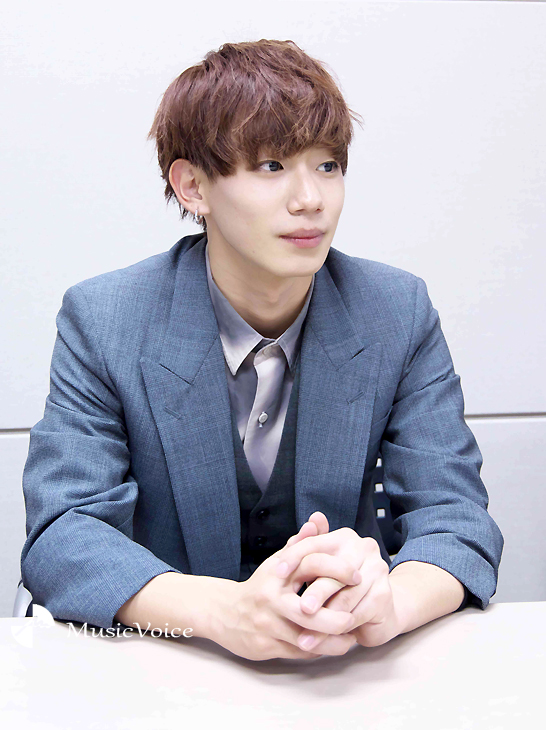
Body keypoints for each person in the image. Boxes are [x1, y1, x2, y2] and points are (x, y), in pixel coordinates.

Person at [21, 39, 503, 662]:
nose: (311, 200)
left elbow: (456, 519)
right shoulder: (106, 319)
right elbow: (63, 533)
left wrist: (388, 604)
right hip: (164, 664)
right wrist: (224, 613)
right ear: (192, 186)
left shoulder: (395, 311)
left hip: (343, 672)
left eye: (328, 165)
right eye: (272, 166)